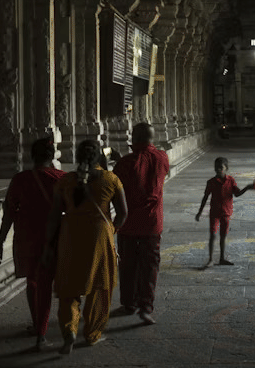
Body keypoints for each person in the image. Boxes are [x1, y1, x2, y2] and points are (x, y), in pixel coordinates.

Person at [43, 140, 128, 355]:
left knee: (68, 288)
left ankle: (69, 330)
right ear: (100, 156)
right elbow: (123, 213)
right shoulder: (111, 179)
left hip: (70, 235)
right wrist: (112, 230)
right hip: (100, 236)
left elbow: (54, 216)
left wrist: (48, 244)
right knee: (99, 287)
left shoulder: (66, 181)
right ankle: (92, 333)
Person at [0, 138, 65, 350]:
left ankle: (37, 326)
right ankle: (41, 333)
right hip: (53, 238)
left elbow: (8, 213)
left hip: (25, 237)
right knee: (45, 284)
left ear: (31, 156)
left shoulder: (20, 179)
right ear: (52, 156)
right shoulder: (61, 179)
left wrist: (0, 242)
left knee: (33, 282)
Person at [113, 122, 170, 325]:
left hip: (127, 223)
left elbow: (116, 185)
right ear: (151, 138)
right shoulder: (162, 158)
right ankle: (146, 307)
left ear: (133, 138)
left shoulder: (125, 163)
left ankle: (129, 302)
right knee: (150, 265)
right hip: (152, 223)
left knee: (128, 264)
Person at [195, 157, 252, 266]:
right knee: (213, 235)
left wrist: (247, 188)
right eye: (216, 167)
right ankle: (211, 259)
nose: (218, 169)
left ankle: (222, 258)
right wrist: (199, 212)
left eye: (221, 167)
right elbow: (205, 198)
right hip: (214, 213)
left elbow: (237, 193)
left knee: (223, 236)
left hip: (226, 213)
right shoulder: (211, 182)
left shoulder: (231, 181)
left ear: (226, 168)